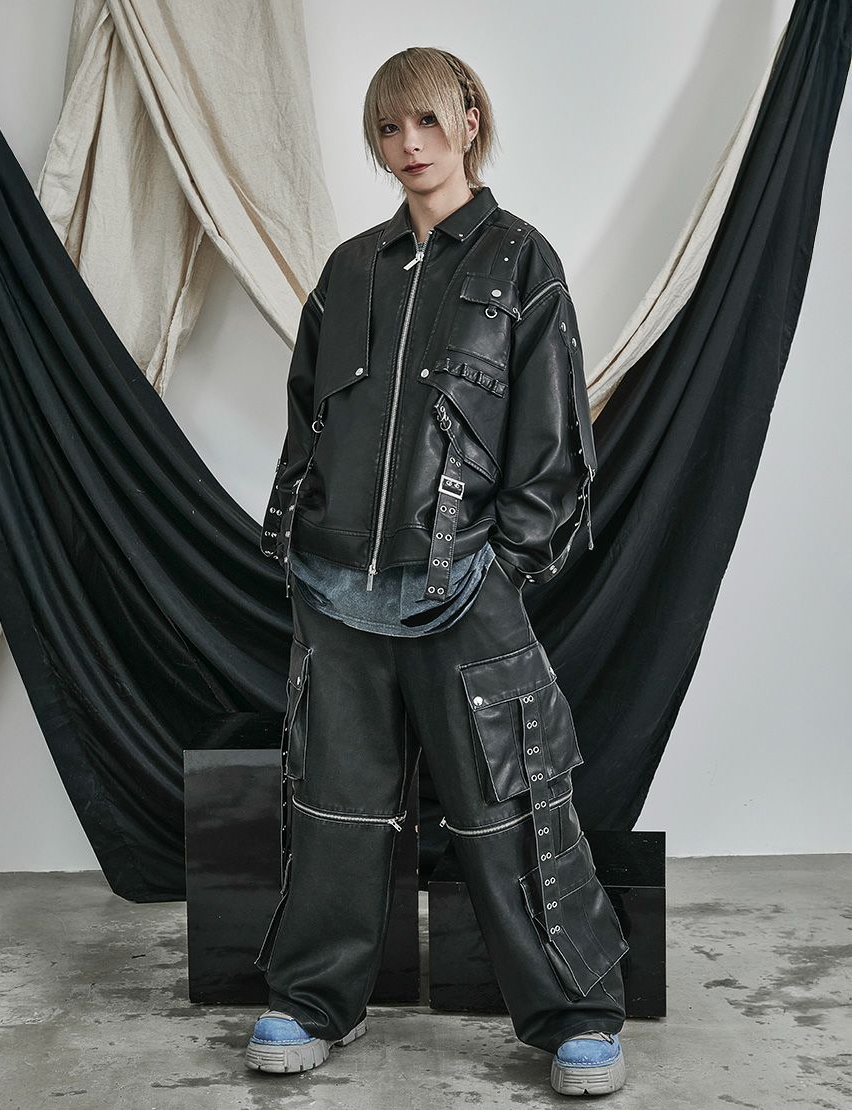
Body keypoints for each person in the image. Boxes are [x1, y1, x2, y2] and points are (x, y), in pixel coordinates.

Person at [245, 46, 629, 1097]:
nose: (408, 145)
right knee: (333, 809)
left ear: (469, 120)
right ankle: (312, 1001)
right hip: (339, 595)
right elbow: (307, 423)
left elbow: (554, 445)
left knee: (512, 805)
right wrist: (301, 541)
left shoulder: (521, 263)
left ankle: (576, 1012)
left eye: (425, 121)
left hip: (464, 591)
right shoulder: (349, 271)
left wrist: (499, 569)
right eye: (388, 128)